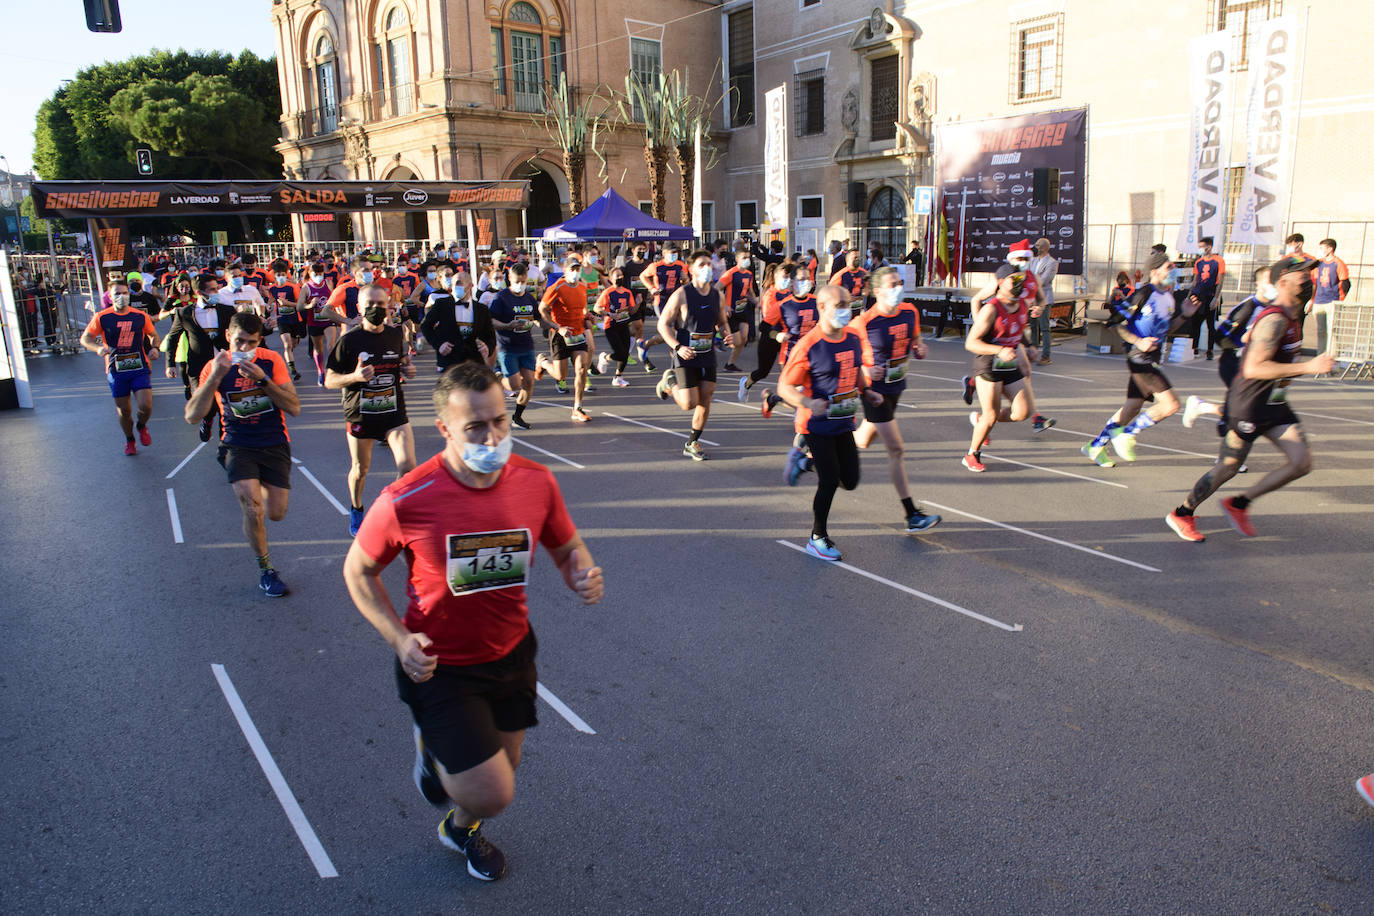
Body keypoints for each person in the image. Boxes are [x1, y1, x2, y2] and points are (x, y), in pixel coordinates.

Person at [342, 362, 603, 882]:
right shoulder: (405, 499)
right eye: (475, 428)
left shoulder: (536, 482)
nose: (494, 435)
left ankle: (460, 828)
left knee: (502, 771)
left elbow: (567, 544)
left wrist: (581, 571)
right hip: (439, 667)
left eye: (500, 420)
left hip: (511, 653)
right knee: (494, 791)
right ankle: (436, 751)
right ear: (444, 429)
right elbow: (357, 572)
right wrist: (398, 639)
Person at [1164, 256, 1333, 542]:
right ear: (1283, 282)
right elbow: (1255, 368)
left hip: (1275, 402)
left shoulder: (1293, 316)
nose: (1309, 281)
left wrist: (1295, 371)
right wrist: (1308, 366)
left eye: (1310, 275)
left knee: (1302, 462)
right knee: (1229, 466)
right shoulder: (1275, 319)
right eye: (1303, 277)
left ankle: (1239, 503)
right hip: (1250, 405)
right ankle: (1183, 512)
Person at [184, 312, 300, 596]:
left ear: (260, 341)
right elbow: (191, 416)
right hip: (236, 443)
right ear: (227, 337)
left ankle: (258, 491)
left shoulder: (271, 361)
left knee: (276, 513)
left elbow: (294, 407)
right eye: (239, 341)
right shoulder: (214, 366)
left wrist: (263, 381)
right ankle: (266, 571)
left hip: (273, 442)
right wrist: (214, 378)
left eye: (251, 342)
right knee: (253, 508)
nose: (244, 349)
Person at [778, 285, 884, 561]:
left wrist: (866, 391)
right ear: (822, 308)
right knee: (828, 481)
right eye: (839, 304)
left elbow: (853, 370)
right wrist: (808, 403)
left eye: (847, 303)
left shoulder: (851, 337)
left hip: (843, 422)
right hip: (815, 424)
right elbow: (784, 387)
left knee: (849, 480)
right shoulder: (809, 345)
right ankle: (817, 537)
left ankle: (804, 463)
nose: (846, 309)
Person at [1082, 251, 1199, 468]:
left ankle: (1095, 445)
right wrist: (1138, 342)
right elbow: (1117, 322)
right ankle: (1127, 433)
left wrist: (1184, 316)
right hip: (1140, 358)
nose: (1172, 271)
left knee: (1132, 407)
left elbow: (1166, 330)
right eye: (1168, 268)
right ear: (1154, 272)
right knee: (1172, 404)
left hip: (1152, 357)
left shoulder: (1169, 297)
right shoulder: (1142, 294)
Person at [851, 267, 941, 532]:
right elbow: (846, 355)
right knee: (897, 449)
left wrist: (920, 348)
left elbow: (916, 340)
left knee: (863, 440)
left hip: (896, 386)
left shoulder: (909, 311)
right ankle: (911, 514)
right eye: (892, 284)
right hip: (873, 391)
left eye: (900, 283)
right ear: (877, 291)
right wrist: (866, 371)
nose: (898, 288)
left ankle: (813, 454)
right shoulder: (864, 322)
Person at [326, 285, 418, 536]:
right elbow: (329, 380)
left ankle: (390, 511)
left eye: (380, 304)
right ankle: (357, 509)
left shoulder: (395, 334)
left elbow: (400, 365)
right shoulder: (349, 341)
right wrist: (354, 377)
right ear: (359, 307)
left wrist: (406, 371)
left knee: (409, 467)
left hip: (393, 411)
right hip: (361, 414)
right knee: (360, 469)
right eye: (370, 305)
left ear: (388, 305)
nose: (376, 309)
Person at [961, 263, 1053, 472]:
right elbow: (971, 343)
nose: (1021, 284)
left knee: (1023, 412)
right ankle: (972, 454)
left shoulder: (1021, 305)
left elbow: (1018, 330)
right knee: (991, 415)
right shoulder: (991, 309)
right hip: (989, 365)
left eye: (1022, 279)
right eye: (1015, 280)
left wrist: (1029, 346)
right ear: (1001, 283)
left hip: (1009, 363)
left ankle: (981, 420)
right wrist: (998, 350)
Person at [654, 250, 734, 460]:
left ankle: (693, 442)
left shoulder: (718, 295)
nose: (707, 268)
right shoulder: (682, 294)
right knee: (688, 403)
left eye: (709, 264)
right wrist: (677, 346)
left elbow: (721, 322)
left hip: (706, 353)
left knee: (706, 396)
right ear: (691, 270)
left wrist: (727, 334)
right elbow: (663, 324)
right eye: (701, 264)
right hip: (686, 354)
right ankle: (669, 382)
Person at [80, 278, 162, 455]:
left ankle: (141, 426)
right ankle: (130, 440)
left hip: (139, 365)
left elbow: (154, 335)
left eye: (125, 293)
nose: (122, 296)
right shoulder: (102, 317)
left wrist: (155, 348)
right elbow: (85, 339)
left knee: (146, 405)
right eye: (118, 293)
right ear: (110, 296)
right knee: (124, 410)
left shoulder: (139, 316)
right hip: (116, 369)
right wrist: (98, 348)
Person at [163, 275, 237, 441]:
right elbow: (172, 338)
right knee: (207, 403)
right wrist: (170, 364)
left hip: (224, 364)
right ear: (199, 292)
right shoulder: (185, 313)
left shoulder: (227, 310)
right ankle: (207, 421)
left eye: (217, 288)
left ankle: (225, 443)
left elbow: (240, 332)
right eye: (212, 290)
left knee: (224, 406)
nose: (217, 292)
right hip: (199, 368)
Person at [536, 254, 593, 423]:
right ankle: (543, 363)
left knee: (581, 369)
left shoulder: (583, 286)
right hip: (560, 334)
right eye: (572, 269)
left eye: (577, 268)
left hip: (577, 333)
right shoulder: (557, 287)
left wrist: (587, 315)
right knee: (560, 375)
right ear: (565, 270)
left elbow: (582, 308)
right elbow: (542, 309)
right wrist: (557, 328)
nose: (575, 272)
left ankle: (577, 407)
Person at [759, 266, 820, 418]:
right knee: (797, 395)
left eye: (808, 278)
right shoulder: (783, 305)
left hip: (814, 354)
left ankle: (773, 400)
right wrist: (777, 335)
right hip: (790, 355)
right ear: (792, 282)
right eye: (801, 279)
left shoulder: (817, 302)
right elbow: (764, 326)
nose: (806, 282)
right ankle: (801, 427)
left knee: (809, 393)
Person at [488, 262, 541, 429]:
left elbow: (539, 318)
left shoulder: (529, 298)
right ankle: (497, 374)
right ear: (509, 278)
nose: (520, 285)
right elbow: (491, 320)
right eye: (517, 281)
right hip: (507, 346)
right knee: (514, 385)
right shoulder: (501, 298)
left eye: (523, 281)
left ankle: (517, 416)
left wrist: (555, 327)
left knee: (529, 382)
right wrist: (507, 326)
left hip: (526, 346)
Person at [738, 262, 795, 402]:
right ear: (776, 277)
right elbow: (767, 324)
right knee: (763, 371)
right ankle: (746, 384)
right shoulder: (770, 295)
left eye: (789, 277)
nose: (787, 279)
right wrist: (779, 334)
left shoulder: (789, 294)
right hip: (770, 337)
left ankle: (785, 400)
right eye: (784, 276)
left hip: (786, 340)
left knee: (788, 374)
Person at [421, 271, 497, 374]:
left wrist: (487, 347)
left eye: (459, 283)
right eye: (453, 284)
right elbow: (425, 326)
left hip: (474, 361)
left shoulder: (481, 309)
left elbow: (490, 335)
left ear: (470, 285)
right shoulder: (442, 304)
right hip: (450, 360)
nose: (455, 287)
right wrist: (438, 345)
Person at [637, 244, 688, 372]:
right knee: (670, 332)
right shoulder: (656, 266)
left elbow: (686, 282)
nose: (674, 255)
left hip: (677, 301)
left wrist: (685, 279)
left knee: (678, 332)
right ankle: (676, 364)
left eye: (675, 252)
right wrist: (651, 288)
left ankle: (645, 344)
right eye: (671, 252)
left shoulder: (680, 265)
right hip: (661, 303)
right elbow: (643, 276)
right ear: (664, 253)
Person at [592, 266, 635, 387]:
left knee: (625, 354)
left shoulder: (627, 292)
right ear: (611, 278)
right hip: (611, 326)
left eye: (621, 275)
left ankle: (618, 377)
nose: (620, 277)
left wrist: (638, 302)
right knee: (620, 353)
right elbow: (596, 308)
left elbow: (632, 310)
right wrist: (609, 314)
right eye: (617, 276)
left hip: (624, 324)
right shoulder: (608, 292)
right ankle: (604, 357)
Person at [716, 249, 757, 372]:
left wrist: (755, 301)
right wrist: (724, 306)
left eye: (748, 257)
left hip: (742, 309)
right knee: (736, 342)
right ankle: (717, 334)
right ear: (737, 259)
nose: (747, 260)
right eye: (744, 257)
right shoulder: (731, 273)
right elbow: (716, 289)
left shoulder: (749, 274)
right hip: (731, 311)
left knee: (744, 339)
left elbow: (749, 290)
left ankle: (730, 364)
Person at [1187, 237, 1226, 360]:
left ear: (1209, 246)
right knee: (1196, 323)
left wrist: (1216, 298)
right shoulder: (1199, 262)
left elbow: (1220, 281)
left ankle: (1210, 350)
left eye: (1202, 246)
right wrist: (1189, 295)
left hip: (1210, 295)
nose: (1201, 249)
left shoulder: (1218, 261)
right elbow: (1195, 280)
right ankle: (1195, 348)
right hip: (1198, 295)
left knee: (1210, 324)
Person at [265, 263, 305, 382]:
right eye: (278, 275)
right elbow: (271, 300)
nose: (281, 277)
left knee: (293, 344)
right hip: (282, 319)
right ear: (275, 276)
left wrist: (287, 304)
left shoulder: (293, 287)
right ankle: (293, 370)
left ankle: (290, 356)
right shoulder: (272, 289)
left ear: (286, 275)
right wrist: (268, 306)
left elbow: (300, 305)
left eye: (283, 274)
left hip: (295, 319)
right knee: (287, 344)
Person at [1310, 238, 1349, 354]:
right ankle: (1320, 355)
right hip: (1319, 301)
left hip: (1332, 301)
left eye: (1322, 248)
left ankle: (1332, 357)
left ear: (1330, 249)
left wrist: (1340, 299)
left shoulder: (1338, 263)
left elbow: (1346, 282)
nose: (1320, 250)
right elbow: (1315, 282)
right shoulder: (1319, 263)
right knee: (1321, 331)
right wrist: (1312, 300)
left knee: (1332, 330)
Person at [1028, 237, 1059, 364]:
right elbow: (1027, 276)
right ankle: (1033, 353)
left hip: (1044, 299)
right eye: (1035, 244)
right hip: (1031, 298)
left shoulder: (1052, 263)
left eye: (1038, 245)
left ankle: (1046, 356)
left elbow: (1043, 281)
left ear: (1045, 247)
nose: (1036, 247)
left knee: (1044, 328)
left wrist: (1032, 280)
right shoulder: (1033, 260)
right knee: (1033, 326)